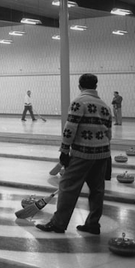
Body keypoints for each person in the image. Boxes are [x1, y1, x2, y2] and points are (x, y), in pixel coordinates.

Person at [37, 73, 112, 234]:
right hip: (102, 154)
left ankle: (58, 223)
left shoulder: (79, 102)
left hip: (82, 153)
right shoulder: (105, 106)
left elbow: (70, 128)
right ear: (96, 86)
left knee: (67, 187)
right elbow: (109, 134)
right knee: (97, 190)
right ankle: (93, 224)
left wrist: (64, 150)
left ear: (79, 86)